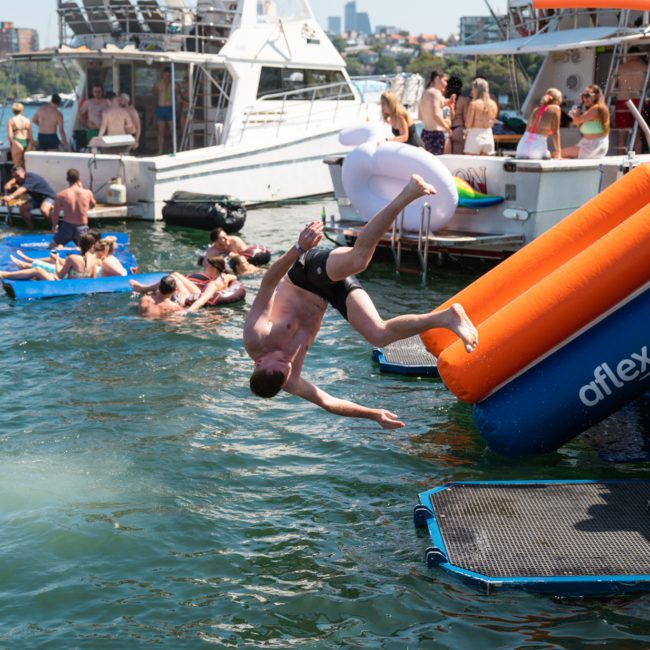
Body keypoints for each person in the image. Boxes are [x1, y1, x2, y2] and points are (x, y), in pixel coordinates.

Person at [243, 175, 479, 429]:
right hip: (327, 295)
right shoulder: (288, 378)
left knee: (358, 260)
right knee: (379, 334)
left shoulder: (256, 337)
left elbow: (268, 283)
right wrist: (373, 414)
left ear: (259, 362)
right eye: (287, 366)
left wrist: (298, 249)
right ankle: (447, 318)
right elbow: (327, 402)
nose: (287, 360)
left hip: (304, 274)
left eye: (280, 359)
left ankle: (410, 192)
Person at [130, 256, 237, 313]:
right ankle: (144, 288)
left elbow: (202, 300)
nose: (205, 268)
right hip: (199, 292)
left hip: (192, 297)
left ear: (214, 267)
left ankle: (143, 289)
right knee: (175, 274)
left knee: (173, 278)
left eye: (208, 266)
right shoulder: (225, 276)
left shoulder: (212, 284)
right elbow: (235, 277)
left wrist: (188, 311)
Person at [0, 232, 97, 281]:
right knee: (42, 271)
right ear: (91, 246)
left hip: (64, 285)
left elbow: (59, 275)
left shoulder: (73, 258)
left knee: (37, 270)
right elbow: (93, 277)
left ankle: (4, 274)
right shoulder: (94, 259)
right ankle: (24, 266)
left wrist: (58, 260)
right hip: (80, 284)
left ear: (79, 244)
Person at [50, 168, 96, 248]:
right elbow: (93, 205)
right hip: (82, 226)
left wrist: (54, 226)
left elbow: (55, 213)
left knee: (53, 246)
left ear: (67, 179)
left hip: (66, 227)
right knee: (85, 249)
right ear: (79, 179)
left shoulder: (61, 195)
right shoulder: (87, 193)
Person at [562, 84, 610, 159]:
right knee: (561, 156)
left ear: (597, 96)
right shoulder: (591, 110)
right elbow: (577, 124)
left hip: (593, 146)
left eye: (588, 95)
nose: (585, 98)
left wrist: (580, 104)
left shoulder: (597, 109)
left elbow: (576, 121)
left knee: (557, 154)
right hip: (587, 144)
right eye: (583, 95)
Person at [515, 88, 563, 160]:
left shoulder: (536, 110)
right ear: (558, 101)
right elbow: (555, 132)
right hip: (537, 147)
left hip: (522, 146)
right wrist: (558, 153)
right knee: (549, 156)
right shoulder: (556, 108)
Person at [418, 70, 453, 155]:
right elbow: (436, 115)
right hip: (435, 135)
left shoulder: (424, 93)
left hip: (425, 133)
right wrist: (448, 129)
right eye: (445, 80)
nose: (446, 84)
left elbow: (420, 116)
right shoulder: (436, 93)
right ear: (437, 79)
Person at [464, 78, 499, 156]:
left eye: (473, 89)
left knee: (470, 166)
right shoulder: (493, 104)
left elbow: (468, 124)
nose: (471, 91)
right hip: (488, 136)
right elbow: (493, 123)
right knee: (486, 166)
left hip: (475, 137)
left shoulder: (474, 104)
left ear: (476, 89)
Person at [152, 67, 181, 154]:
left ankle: (174, 149)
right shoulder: (158, 84)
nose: (167, 77)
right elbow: (154, 95)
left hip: (170, 108)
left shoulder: (174, 85)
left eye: (168, 75)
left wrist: (177, 109)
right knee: (160, 131)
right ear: (162, 75)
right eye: (165, 75)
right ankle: (160, 150)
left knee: (173, 130)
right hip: (161, 108)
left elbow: (177, 98)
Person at [446, 76, 469, 155]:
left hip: (446, 129)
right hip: (458, 129)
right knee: (457, 158)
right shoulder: (464, 100)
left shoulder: (444, 99)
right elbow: (466, 119)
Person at [6, 102, 33, 168]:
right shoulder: (27, 120)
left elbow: (9, 136)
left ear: (13, 110)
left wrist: (11, 145)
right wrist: (31, 144)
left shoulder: (11, 120)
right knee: (27, 167)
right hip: (27, 142)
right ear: (22, 110)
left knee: (17, 167)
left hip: (17, 142)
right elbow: (31, 135)